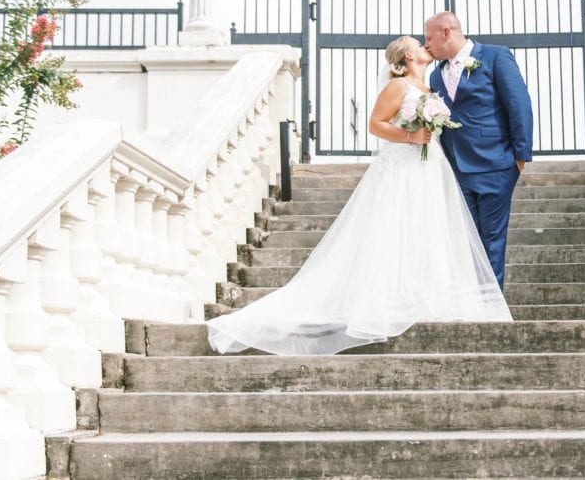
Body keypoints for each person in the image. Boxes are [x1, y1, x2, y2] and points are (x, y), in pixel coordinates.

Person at [206, 35, 511, 356]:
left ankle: (421, 291)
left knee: (425, 227)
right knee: (397, 226)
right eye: (420, 45)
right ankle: (393, 293)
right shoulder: (398, 87)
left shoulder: (429, 88)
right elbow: (376, 125)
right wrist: (411, 135)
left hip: (430, 168)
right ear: (409, 55)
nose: (426, 48)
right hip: (404, 168)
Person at [423, 11, 533, 289]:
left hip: (496, 165)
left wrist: (520, 158)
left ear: (447, 32)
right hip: (457, 169)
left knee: (491, 240)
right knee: (465, 241)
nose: (426, 46)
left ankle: (491, 306)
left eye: (428, 38)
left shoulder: (496, 57)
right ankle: (471, 302)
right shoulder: (436, 76)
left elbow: (518, 104)